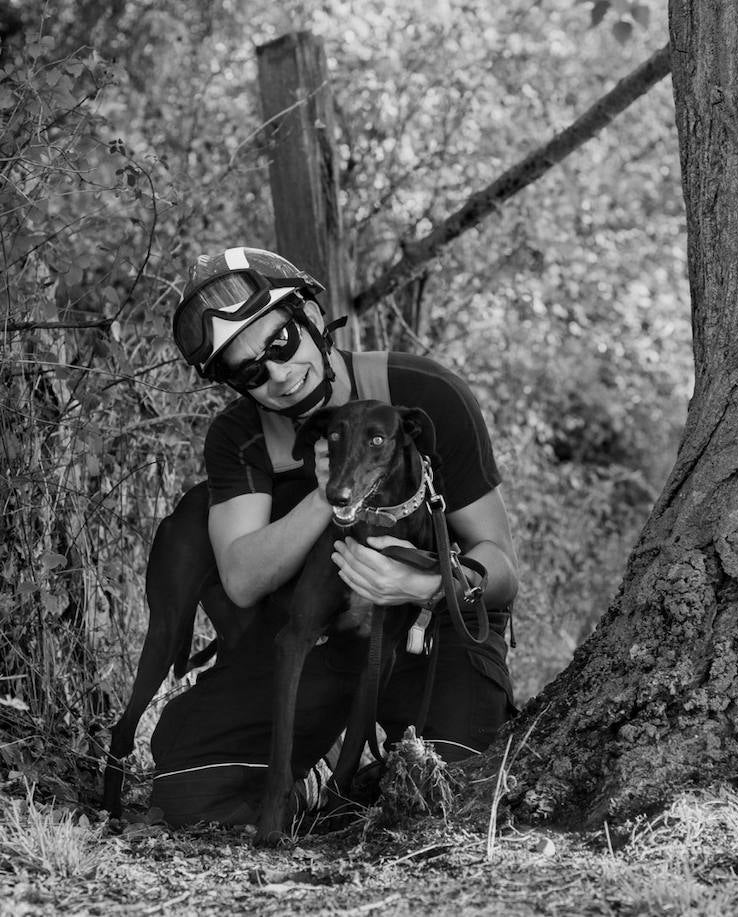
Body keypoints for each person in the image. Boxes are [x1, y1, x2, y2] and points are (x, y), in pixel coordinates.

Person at [145, 246, 519, 826]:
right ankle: (310, 777)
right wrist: (329, 492)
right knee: (188, 788)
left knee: (454, 790)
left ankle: (370, 779)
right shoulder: (241, 438)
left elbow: (501, 569)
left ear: (312, 319)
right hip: (314, 639)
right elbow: (242, 580)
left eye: (279, 344)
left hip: (431, 631)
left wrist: (422, 584)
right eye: (250, 373)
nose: (279, 375)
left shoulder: (424, 393)